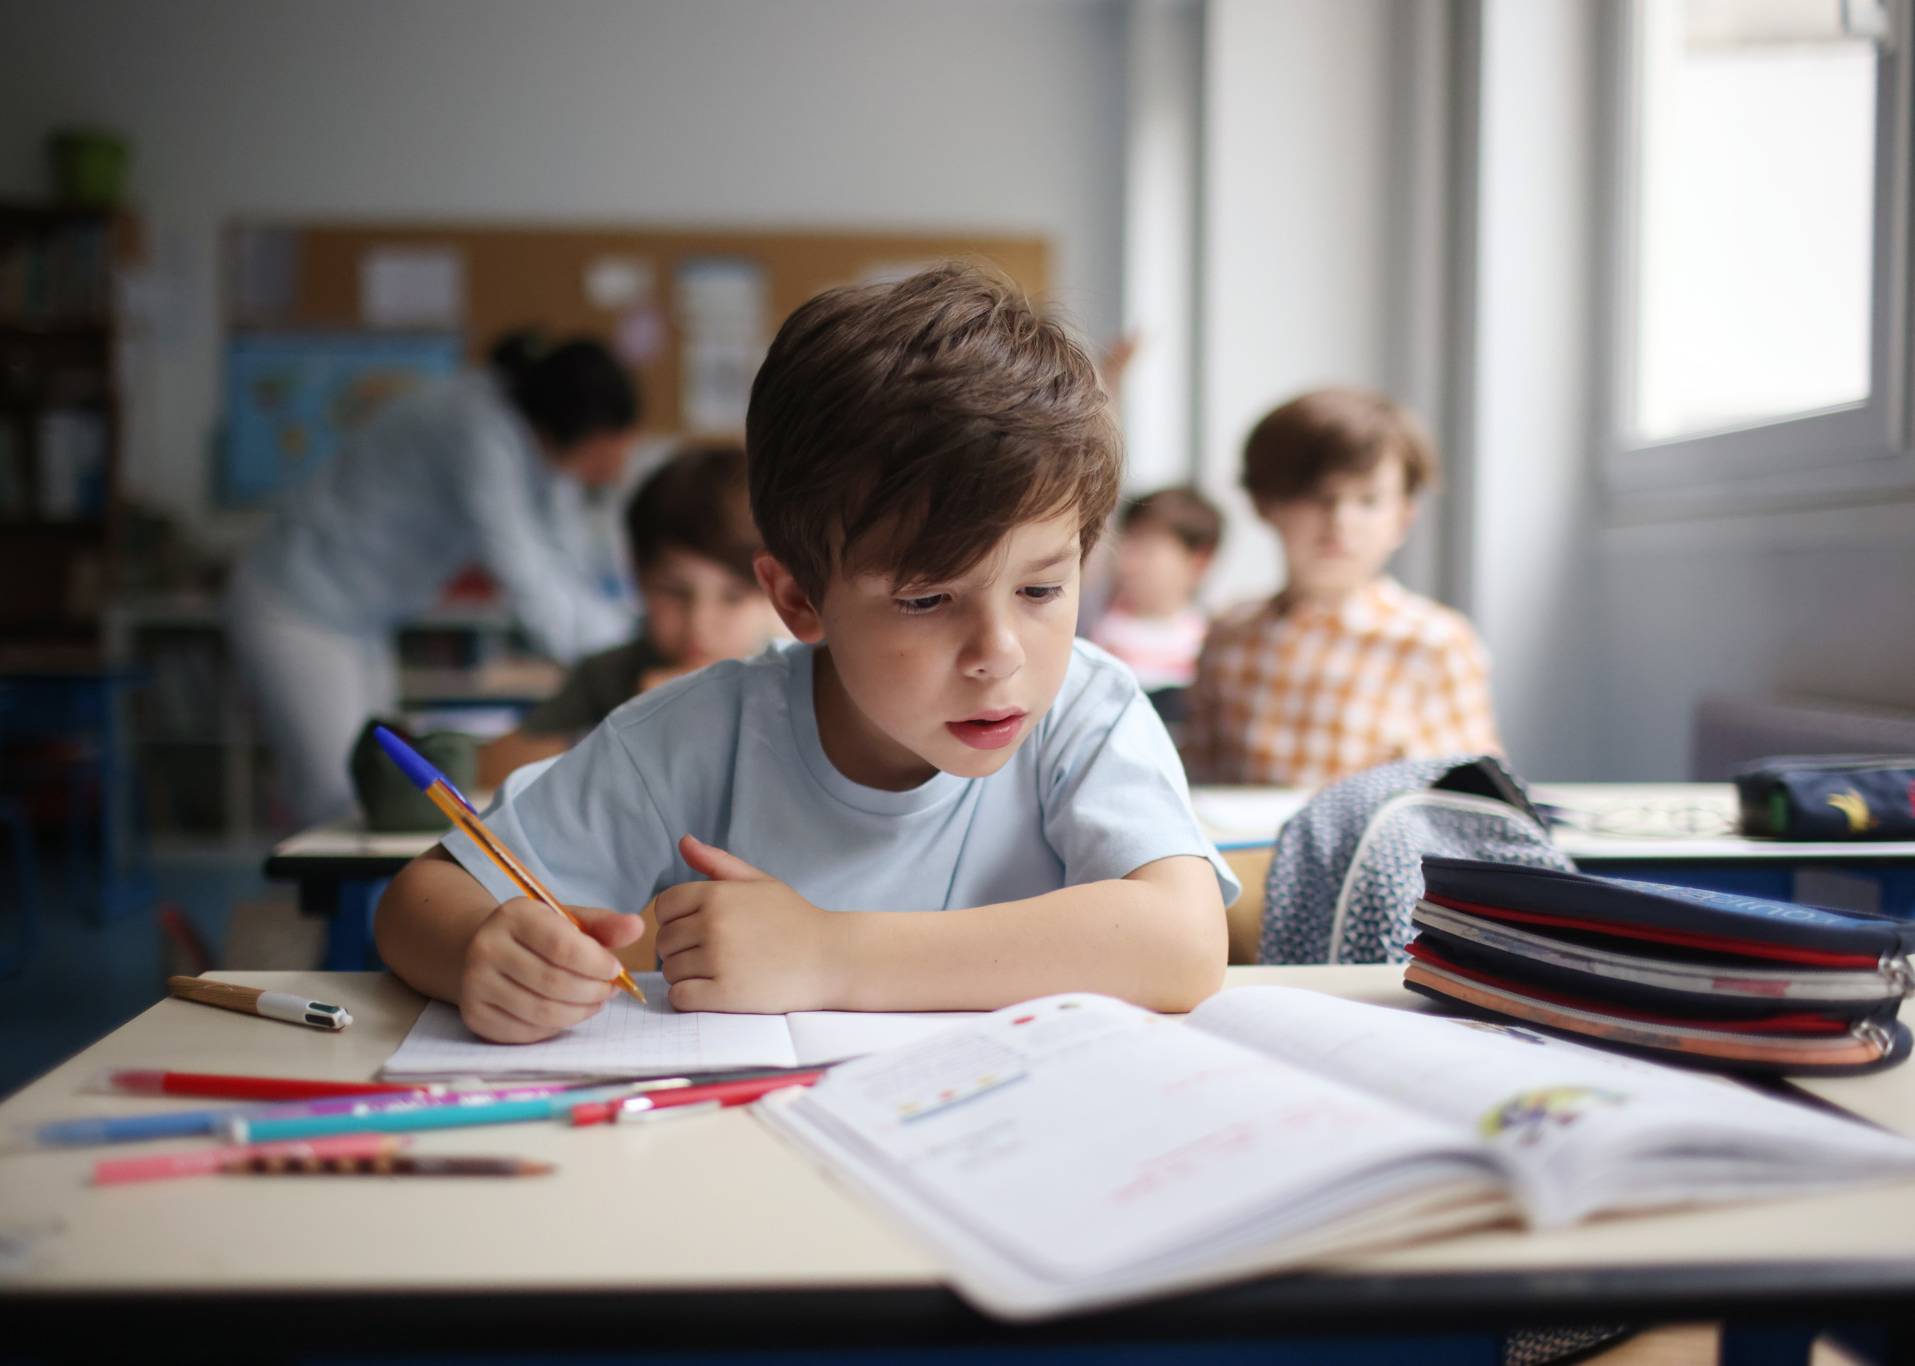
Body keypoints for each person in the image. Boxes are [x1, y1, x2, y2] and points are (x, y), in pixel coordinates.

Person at [374, 264, 1235, 1043]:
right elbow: (420, 900)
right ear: (798, 599)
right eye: (927, 600)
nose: (999, 654)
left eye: (1041, 590)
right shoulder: (697, 735)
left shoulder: (1086, 711)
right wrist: (486, 949)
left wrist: (830, 954)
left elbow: (1186, 942)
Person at [227, 334, 643, 825]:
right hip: (296, 607)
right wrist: (622, 658)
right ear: (566, 426)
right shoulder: (476, 429)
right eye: (600, 453)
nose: (608, 469)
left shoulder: (529, 443)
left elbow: (566, 551)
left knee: (383, 788)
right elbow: (525, 569)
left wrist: (628, 632)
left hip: (360, 622)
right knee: (340, 802)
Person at [1182, 388, 1502, 788]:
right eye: (1317, 497)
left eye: (1368, 501)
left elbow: (1468, 803)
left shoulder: (1434, 644)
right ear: (1264, 502)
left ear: (1403, 517)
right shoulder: (1229, 636)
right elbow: (1196, 783)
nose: (1341, 522)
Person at [474, 442, 781, 788]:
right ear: (637, 575)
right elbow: (490, 770)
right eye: (674, 592)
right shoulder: (609, 674)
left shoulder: (793, 682)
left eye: (733, 597)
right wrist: (627, 725)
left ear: (777, 587)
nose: (700, 624)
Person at [1085, 487, 1223, 724]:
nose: (1126, 563)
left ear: (1198, 561)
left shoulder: (1207, 650)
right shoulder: (1092, 621)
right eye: (1126, 545)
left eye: (1147, 551)